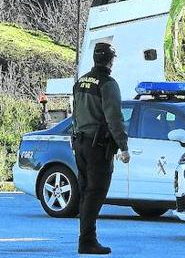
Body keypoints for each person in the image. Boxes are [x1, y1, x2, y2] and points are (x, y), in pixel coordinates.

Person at [72, 43, 130, 255]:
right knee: (96, 192)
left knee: (86, 191)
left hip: (80, 143)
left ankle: (86, 238)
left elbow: (75, 115)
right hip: (98, 146)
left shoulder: (80, 82)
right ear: (111, 60)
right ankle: (87, 241)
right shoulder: (107, 84)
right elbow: (114, 118)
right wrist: (123, 147)